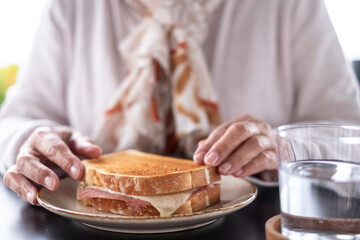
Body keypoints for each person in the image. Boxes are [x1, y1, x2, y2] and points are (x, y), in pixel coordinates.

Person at [1, 0, 360, 205]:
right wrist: (33, 142)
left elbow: (351, 136)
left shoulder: (291, 7)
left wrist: (283, 148)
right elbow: (15, 120)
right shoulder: (71, 7)